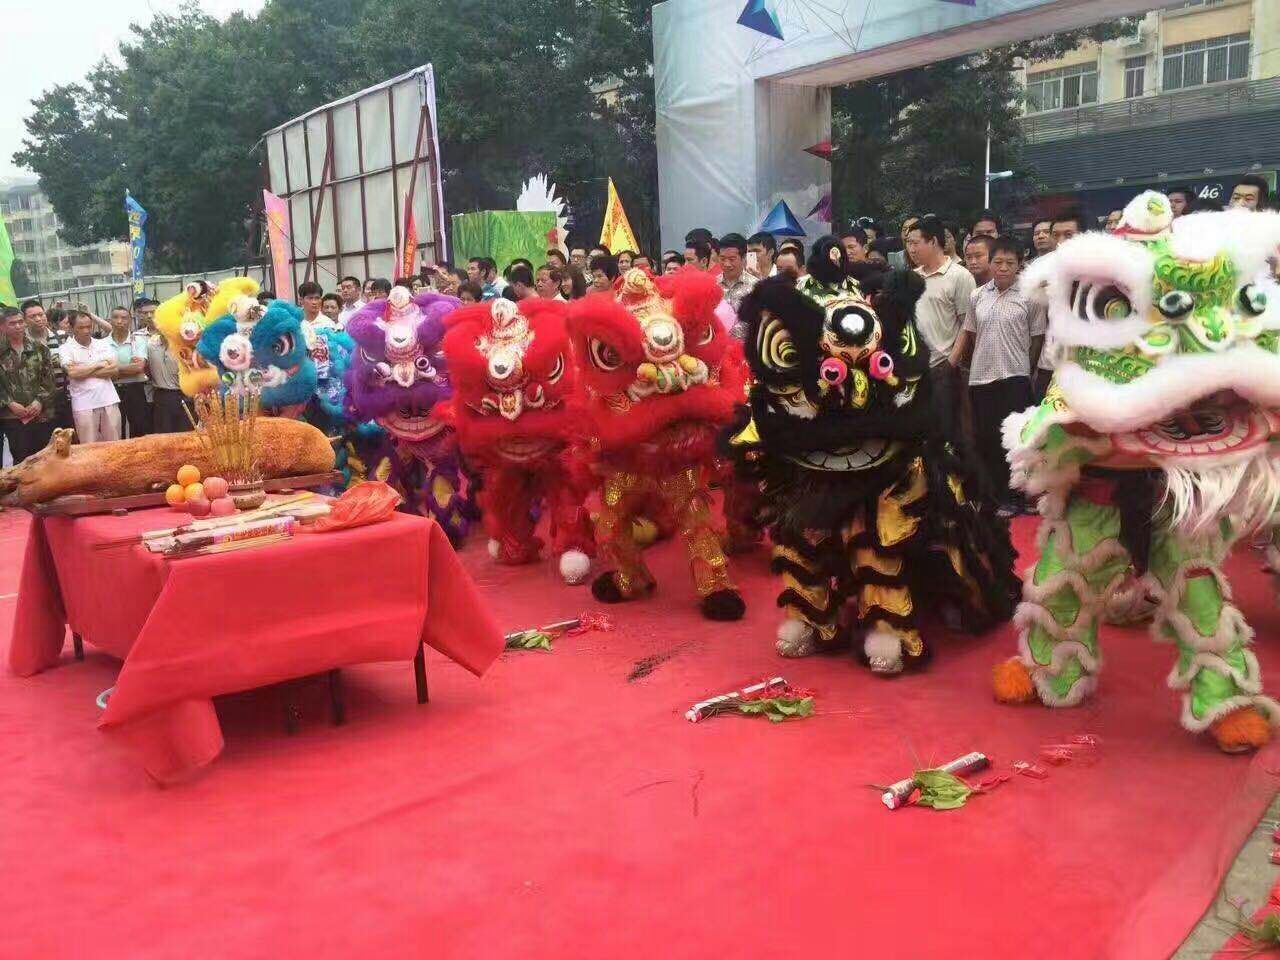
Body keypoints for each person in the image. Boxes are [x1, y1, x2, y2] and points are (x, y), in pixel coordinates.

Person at [951, 238, 1045, 514]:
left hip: (1015, 377)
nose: (1003, 268)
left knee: (1016, 440)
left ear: (1019, 264)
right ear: (990, 263)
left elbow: (1037, 339)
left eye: (1010, 263)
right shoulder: (977, 296)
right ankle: (996, 495)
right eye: (998, 262)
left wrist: (1026, 369)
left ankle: (1018, 496)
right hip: (981, 378)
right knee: (987, 438)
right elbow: (970, 333)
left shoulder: (1030, 297)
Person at [906, 215, 976, 434]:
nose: (911, 249)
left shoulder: (960, 276)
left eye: (915, 243)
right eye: (908, 243)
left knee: (945, 430)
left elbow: (967, 324)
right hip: (913, 369)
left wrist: (951, 362)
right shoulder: (911, 277)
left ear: (934, 241)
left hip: (943, 367)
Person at [1034, 209, 1086, 400]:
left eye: (1069, 235)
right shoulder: (1042, 269)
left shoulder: (1099, 273)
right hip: (1048, 364)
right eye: (1056, 235)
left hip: (1085, 366)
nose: (1061, 241)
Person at [0, 306, 57, 464]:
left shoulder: (40, 348)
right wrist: (9, 403)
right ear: (2, 326)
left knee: (44, 459)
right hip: (11, 417)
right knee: (21, 460)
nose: (18, 326)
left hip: (40, 414)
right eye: (12, 323)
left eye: (20, 322)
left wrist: (39, 401)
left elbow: (49, 379)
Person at [59, 312, 121, 443]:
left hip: (109, 400)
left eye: (89, 326)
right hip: (83, 404)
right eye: (81, 328)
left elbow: (114, 370)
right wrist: (99, 364)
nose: (86, 331)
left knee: (115, 444)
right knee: (88, 445)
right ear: (71, 328)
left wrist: (83, 370)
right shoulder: (65, 349)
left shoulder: (103, 344)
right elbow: (73, 373)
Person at [23, 300, 72, 429]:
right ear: (24, 320)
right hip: (37, 403)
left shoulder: (62, 337)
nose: (38, 319)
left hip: (65, 398)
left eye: (41, 314)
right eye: (33, 316)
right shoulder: (22, 343)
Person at [107, 305, 151, 438]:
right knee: (115, 429)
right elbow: (103, 372)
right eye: (115, 317)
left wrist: (112, 369)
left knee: (139, 429)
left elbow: (139, 368)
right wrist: (128, 367)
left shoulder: (139, 341)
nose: (119, 321)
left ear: (130, 321)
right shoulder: (102, 344)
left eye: (124, 318)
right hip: (111, 390)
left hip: (135, 389)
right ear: (110, 320)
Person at [716, 233, 757, 317]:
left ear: (743, 258)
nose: (727, 264)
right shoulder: (713, 284)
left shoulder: (755, 286)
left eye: (732, 259)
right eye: (722, 259)